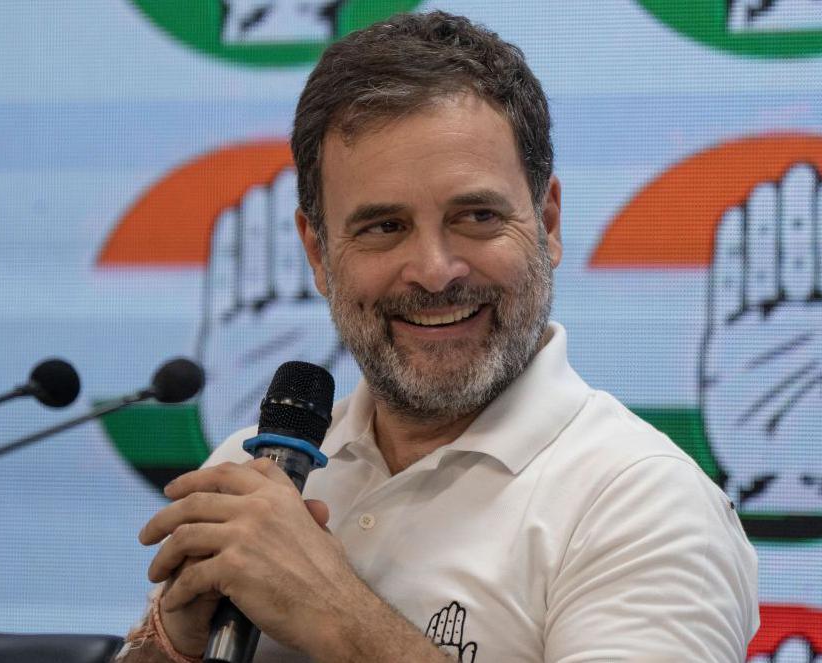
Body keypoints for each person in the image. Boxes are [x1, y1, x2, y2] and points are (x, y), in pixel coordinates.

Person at [117, 11, 759, 662]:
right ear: (317, 252)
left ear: (548, 220)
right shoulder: (255, 475)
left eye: (476, 216)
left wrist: (338, 613)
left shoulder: (644, 502)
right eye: (384, 227)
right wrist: (174, 640)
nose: (434, 271)